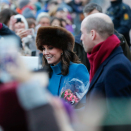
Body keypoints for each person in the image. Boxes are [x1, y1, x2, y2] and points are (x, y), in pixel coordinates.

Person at [80, 13, 131, 120]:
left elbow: (119, 119)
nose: (81, 38)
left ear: (92, 34)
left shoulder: (116, 68)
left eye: (82, 33)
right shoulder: (104, 61)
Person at [36, 26, 89, 108]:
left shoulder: (77, 69)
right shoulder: (44, 74)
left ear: (62, 49)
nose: (45, 52)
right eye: (43, 48)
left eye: (50, 48)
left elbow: (87, 104)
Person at [74, 3, 131, 71]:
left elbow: (127, 65)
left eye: (95, 18)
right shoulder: (77, 42)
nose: (91, 23)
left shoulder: (119, 39)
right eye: (88, 19)